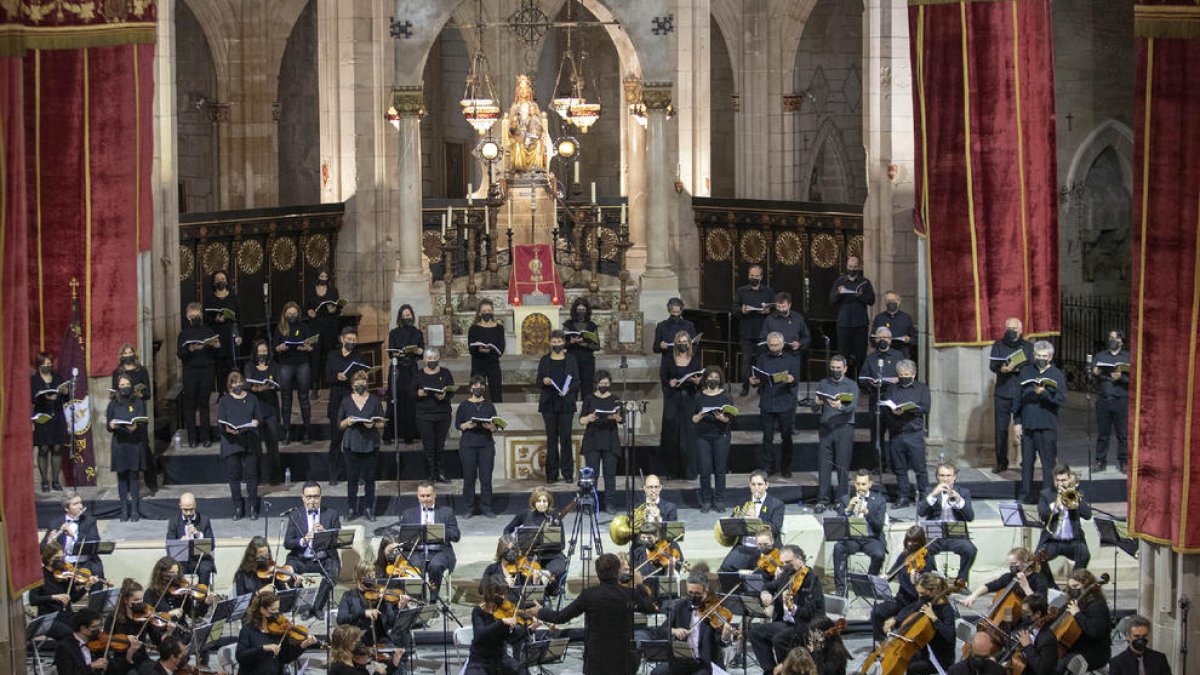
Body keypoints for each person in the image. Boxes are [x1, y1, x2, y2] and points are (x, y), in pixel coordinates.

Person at [531, 552, 657, 675]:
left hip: (596, 661)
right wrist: (639, 585)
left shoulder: (589, 595)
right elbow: (651, 608)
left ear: (598, 573)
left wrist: (540, 611)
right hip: (623, 660)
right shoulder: (629, 594)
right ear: (617, 571)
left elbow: (560, 617)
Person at [751, 546, 825, 673]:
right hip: (787, 623)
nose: (785, 566)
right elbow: (769, 585)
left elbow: (808, 612)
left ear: (799, 558)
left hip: (805, 624)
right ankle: (771, 671)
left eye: (788, 562)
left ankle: (789, 671)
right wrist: (765, 593)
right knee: (756, 633)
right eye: (783, 563)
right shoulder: (787, 574)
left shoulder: (811, 580)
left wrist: (792, 606)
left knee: (779, 639)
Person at [650, 574, 735, 675]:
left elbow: (721, 642)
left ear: (706, 591)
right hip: (682, 660)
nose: (693, 597)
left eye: (697, 593)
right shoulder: (680, 606)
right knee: (656, 673)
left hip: (705, 663)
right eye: (690, 593)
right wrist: (673, 630)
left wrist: (726, 635)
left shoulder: (713, 611)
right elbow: (660, 631)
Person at [1014, 341, 1067, 502]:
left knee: (1048, 463)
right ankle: (1025, 495)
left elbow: (1060, 399)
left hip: (1047, 425)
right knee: (1027, 463)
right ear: (1034, 355)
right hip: (1028, 425)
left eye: (1044, 356)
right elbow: (1017, 398)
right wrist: (1017, 422)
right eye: (1038, 355)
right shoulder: (1026, 371)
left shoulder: (1057, 374)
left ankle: (1048, 496)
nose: (1041, 358)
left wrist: (1044, 393)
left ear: (1050, 357)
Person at [284, 482, 342, 617]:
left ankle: (317, 607)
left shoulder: (332, 514)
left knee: (333, 570)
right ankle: (305, 605)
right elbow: (287, 543)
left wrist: (326, 534)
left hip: (323, 558)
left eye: (316, 497)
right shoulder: (295, 515)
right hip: (301, 559)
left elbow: (338, 540)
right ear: (303, 497)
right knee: (287, 572)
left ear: (321, 497)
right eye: (309, 497)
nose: (313, 501)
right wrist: (304, 540)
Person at [880, 573, 955, 675]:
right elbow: (909, 610)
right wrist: (895, 619)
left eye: (923, 594)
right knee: (907, 657)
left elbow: (950, 636)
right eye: (918, 593)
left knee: (913, 668)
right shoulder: (926, 601)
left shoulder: (946, 610)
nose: (920, 597)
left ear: (934, 591)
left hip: (940, 657)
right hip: (925, 649)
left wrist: (934, 618)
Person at [870, 526, 935, 642]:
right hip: (901, 599)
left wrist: (916, 581)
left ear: (921, 541)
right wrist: (884, 578)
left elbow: (925, 588)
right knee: (876, 611)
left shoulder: (927, 559)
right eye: (908, 541)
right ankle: (881, 643)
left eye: (914, 541)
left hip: (917, 602)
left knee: (901, 619)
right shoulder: (904, 556)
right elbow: (891, 573)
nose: (910, 544)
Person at [502, 487, 568, 599]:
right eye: (538, 501)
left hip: (552, 555)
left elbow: (562, 544)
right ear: (533, 502)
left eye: (544, 501)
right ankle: (539, 591)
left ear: (549, 502)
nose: (541, 504)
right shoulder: (525, 514)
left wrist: (548, 544)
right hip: (530, 555)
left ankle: (549, 589)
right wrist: (510, 542)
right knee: (521, 573)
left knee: (559, 569)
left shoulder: (555, 516)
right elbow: (507, 530)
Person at [752, 332, 801, 477]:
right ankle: (768, 467)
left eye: (776, 345)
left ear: (782, 344)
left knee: (786, 436)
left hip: (785, 402)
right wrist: (753, 381)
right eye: (771, 345)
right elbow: (758, 378)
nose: (773, 348)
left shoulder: (791, 359)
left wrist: (791, 379)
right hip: (768, 402)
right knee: (767, 437)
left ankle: (786, 467)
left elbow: (796, 378)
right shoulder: (761, 359)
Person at [882, 360, 930, 507]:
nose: (904, 377)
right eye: (901, 375)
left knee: (920, 468)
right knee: (900, 468)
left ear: (913, 374)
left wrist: (907, 410)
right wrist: (894, 413)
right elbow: (886, 407)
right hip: (896, 433)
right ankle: (903, 496)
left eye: (907, 374)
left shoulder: (922, 388)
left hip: (914, 434)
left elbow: (925, 407)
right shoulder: (892, 389)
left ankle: (924, 495)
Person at [811, 356, 857, 511]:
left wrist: (840, 407)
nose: (835, 370)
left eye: (838, 368)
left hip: (844, 428)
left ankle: (841, 499)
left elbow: (852, 406)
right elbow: (814, 407)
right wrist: (816, 403)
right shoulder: (824, 383)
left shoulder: (851, 385)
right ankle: (822, 500)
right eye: (833, 368)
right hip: (826, 429)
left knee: (842, 465)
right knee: (823, 465)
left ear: (844, 368)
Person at [400, 481, 461, 599]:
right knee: (416, 566)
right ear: (418, 496)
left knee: (436, 566)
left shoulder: (446, 512)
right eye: (422, 496)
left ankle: (433, 600)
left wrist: (438, 531)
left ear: (434, 495)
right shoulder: (408, 514)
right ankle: (420, 601)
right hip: (417, 551)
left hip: (439, 551)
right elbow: (403, 538)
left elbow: (456, 535)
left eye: (428, 495)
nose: (425, 499)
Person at [917, 463, 977, 582]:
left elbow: (970, 517)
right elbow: (921, 512)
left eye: (949, 475)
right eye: (942, 475)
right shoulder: (929, 490)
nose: (945, 479)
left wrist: (959, 500)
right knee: (922, 550)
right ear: (937, 477)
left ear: (954, 477)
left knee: (970, 550)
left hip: (957, 536)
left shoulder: (964, 492)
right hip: (935, 536)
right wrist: (933, 495)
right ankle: (932, 580)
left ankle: (961, 581)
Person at [989, 318, 1035, 473]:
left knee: (1025, 430)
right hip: (1002, 392)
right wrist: (1002, 369)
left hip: (1022, 393)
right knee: (1000, 430)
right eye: (1008, 327)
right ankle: (1001, 462)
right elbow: (992, 365)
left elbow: (1032, 367)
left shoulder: (1028, 347)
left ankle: (1026, 462)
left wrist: (1015, 367)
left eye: (1014, 328)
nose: (1011, 330)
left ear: (1020, 330)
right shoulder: (998, 345)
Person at [326, 326, 370, 484]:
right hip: (337, 399)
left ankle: (359, 476)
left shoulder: (359, 357)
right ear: (342, 339)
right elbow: (327, 378)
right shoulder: (332, 356)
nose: (351, 342)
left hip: (354, 400)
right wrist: (337, 377)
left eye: (354, 340)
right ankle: (333, 475)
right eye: (349, 339)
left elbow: (364, 376)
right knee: (336, 440)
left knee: (356, 440)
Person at [236, 589, 317, 674]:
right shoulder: (248, 630)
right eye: (273, 610)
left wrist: (303, 645)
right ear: (262, 610)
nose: (277, 613)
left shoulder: (278, 630)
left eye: (277, 609)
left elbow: (285, 657)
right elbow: (241, 657)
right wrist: (264, 648)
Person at [831, 470, 886, 596]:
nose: (861, 487)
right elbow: (837, 524)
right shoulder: (846, 499)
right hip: (852, 539)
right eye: (858, 484)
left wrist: (867, 513)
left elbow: (879, 526)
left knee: (879, 554)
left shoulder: (879, 501)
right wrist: (847, 510)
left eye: (864, 484)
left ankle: (869, 584)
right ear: (854, 484)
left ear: (870, 484)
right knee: (838, 548)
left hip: (872, 538)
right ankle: (841, 588)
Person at [340, 369, 386, 521]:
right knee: (352, 478)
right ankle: (352, 508)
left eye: (363, 381)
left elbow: (381, 423)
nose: (361, 384)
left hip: (369, 444)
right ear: (353, 385)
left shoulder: (374, 400)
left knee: (370, 478)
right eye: (357, 382)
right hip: (351, 444)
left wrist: (372, 424)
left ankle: (368, 508)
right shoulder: (346, 400)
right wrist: (347, 421)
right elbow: (339, 424)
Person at [719, 471, 786, 572]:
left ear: (766, 485)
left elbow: (775, 529)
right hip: (744, 547)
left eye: (760, 484)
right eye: (753, 484)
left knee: (763, 573)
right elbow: (733, 526)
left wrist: (756, 519)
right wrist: (737, 520)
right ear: (749, 485)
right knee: (726, 568)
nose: (756, 488)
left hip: (765, 550)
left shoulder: (777, 504)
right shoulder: (742, 502)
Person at [217, 371, 261, 521]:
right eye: (234, 383)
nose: (237, 385)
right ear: (230, 385)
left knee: (251, 475)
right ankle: (238, 507)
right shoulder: (224, 401)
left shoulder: (252, 398)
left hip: (249, 440)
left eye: (239, 382)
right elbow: (221, 422)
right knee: (234, 476)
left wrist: (256, 422)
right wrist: (227, 429)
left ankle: (253, 506)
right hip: (231, 442)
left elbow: (259, 417)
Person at [112, 343, 156, 493]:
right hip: (123, 411)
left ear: (134, 355)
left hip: (138, 409)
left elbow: (148, 394)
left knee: (144, 446)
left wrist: (138, 393)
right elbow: (114, 394)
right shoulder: (116, 372)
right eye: (125, 354)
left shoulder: (141, 371)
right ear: (121, 356)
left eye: (130, 353)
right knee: (125, 448)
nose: (128, 356)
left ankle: (152, 483)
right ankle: (128, 488)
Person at [537, 331, 579, 483]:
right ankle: (552, 474)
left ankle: (567, 473)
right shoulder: (544, 360)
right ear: (550, 343)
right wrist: (545, 381)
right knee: (551, 439)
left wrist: (569, 389)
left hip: (566, 403)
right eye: (554, 342)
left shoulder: (571, 360)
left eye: (559, 342)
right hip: (549, 404)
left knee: (566, 438)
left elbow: (576, 381)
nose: (556, 345)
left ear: (564, 343)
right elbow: (538, 381)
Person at [337, 561, 412, 647]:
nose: (372, 579)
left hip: (382, 638)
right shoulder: (349, 596)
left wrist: (399, 608)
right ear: (358, 577)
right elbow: (341, 619)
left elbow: (391, 623)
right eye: (368, 576)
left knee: (399, 644)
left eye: (373, 576)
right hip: (359, 638)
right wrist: (364, 613)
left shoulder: (382, 595)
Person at [859, 326, 901, 475]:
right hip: (876, 400)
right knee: (877, 434)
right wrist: (870, 383)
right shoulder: (871, 358)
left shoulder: (898, 356)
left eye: (885, 337)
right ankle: (879, 464)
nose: (882, 340)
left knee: (895, 434)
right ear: (876, 339)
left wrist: (898, 379)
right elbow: (862, 378)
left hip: (893, 401)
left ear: (890, 340)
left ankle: (896, 465)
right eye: (879, 337)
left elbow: (906, 376)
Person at [960, 546, 1056, 612]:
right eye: (1010, 564)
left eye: (1014, 564)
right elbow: (989, 586)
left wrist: (1026, 587)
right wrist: (974, 596)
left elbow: (1041, 605)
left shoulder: (1038, 579)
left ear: (1025, 563)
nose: (1012, 567)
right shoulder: (1010, 576)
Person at [692, 366, 734, 513]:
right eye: (710, 377)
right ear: (706, 378)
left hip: (721, 437)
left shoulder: (726, 396)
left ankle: (719, 500)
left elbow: (731, 418)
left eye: (716, 377)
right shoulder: (699, 396)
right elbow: (693, 417)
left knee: (720, 470)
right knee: (704, 471)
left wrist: (722, 418)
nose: (713, 379)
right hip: (702, 437)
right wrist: (698, 416)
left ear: (720, 379)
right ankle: (706, 500)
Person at [272, 302, 315, 445]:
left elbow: (310, 346)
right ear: (284, 314)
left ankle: (308, 432)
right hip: (286, 364)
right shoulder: (280, 328)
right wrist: (280, 347)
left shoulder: (304, 327)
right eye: (289, 314)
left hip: (302, 363)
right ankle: (286, 432)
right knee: (286, 399)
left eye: (294, 313)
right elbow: (275, 347)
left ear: (298, 314)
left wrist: (307, 348)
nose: (291, 316)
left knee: (304, 398)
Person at [178, 302, 220, 448]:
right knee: (190, 406)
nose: (195, 316)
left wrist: (215, 345)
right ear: (188, 317)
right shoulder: (183, 334)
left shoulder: (208, 331)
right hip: (190, 372)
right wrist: (190, 349)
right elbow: (180, 354)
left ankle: (206, 437)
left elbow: (216, 352)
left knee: (204, 405)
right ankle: (192, 438)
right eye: (192, 315)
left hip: (206, 370)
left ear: (201, 315)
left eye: (197, 314)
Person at [581, 370, 623, 513]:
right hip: (592, 439)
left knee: (609, 475)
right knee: (592, 475)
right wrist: (589, 418)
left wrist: (616, 418)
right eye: (602, 383)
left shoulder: (616, 399)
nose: (605, 385)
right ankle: (590, 503)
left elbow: (621, 419)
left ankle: (610, 503)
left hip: (610, 440)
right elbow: (581, 419)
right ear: (596, 384)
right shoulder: (589, 399)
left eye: (607, 383)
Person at [467, 580, 531, 675]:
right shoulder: (478, 611)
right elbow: (480, 634)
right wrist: (502, 622)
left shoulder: (503, 612)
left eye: (504, 596)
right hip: (480, 660)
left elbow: (511, 638)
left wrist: (530, 629)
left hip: (501, 658)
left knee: (523, 672)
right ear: (490, 596)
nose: (504, 600)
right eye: (501, 596)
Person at [457, 375, 499, 518]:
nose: (478, 388)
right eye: (475, 385)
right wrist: (466, 425)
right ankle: (469, 508)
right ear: (470, 388)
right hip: (468, 445)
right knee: (469, 478)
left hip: (486, 445)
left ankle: (486, 507)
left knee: (486, 478)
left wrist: (492, 427)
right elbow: (458, 424)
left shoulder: (489, 405)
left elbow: (495, 426)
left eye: (481, 385)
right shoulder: (464, 405)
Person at [663, 330, 703, 479]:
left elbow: (700, 379)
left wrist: (697, 381)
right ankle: (671, 471)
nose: (682, 344)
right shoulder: (669, 358)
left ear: (689, 344)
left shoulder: (695, 360)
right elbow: (664, 378)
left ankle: (690, 471)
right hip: (673, 399)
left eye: (685, 342)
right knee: (672, 435)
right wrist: (670, 382)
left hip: (690, 399)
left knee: (689, 435)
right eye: (680, 342)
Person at [107, 373, 147, 521]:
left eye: (127, 385)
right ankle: (124, 510)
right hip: (119, 444)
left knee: (134, 476)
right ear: (118, 387)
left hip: (134, 443)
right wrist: (112, 425)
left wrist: (136, 426)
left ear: (131, 385)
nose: (124, 388)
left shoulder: (138, 402)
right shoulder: (113, 403)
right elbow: (109, 426)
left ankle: (135, 510)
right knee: (122, 477)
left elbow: (142, 421)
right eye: (121, 385)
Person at [1037, 464, 1092, 570]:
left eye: (1063, 480)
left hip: (1073, 541)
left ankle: (1074, 582)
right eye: (1057, 480)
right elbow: (1043, 516)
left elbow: (1088, 515)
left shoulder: (1077, 494)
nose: (1060, 484)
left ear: (1069, 479)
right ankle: (1050, 585)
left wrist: (1077, 499)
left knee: (1084, 555)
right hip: (1052, 541)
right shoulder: (1046, 495)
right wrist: (1055, 506)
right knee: (1037, 559)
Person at [29, 541, 88, 639]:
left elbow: (73, 598)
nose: (60, 561)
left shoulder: (65, 573)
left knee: (88, 627)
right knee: (68, 633)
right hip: (49, 619)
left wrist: (85, 588)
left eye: (61, 558)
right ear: (47, 558)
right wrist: (54, 597)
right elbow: (33, 600)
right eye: (56, 558)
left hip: (66, 615)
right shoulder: (39, 575)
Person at [1090, 330, 1130, 472]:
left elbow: (1135, 380)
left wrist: (1122, 378)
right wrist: (1095, 372)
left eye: (1115, 338)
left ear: (1121, 341)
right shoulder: (1101, 356)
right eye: (1110, 337)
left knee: (1123, 434)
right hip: (1103, 399)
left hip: (1121, 400)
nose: (1112, 340)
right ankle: (1100, 461)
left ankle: (1123, 461)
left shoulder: (1127, 358)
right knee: (1103, 433)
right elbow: (1091, 374)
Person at [1057, 570, 1112, 672]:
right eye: (1071, 587)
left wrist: (1077, 614)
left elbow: (1094, 631)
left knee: (1060, 666)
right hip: (1075, 648)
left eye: (1076, 586)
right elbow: (1057, 616)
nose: (1073, 590)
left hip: (1095, 652)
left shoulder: (1097, 605)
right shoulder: (1075, 602)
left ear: (1086, 586)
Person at [413, 348, 455, 483]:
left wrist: (445, 395)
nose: (432, 361)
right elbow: (410, 392)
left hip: (442, 414)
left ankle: (440, 472)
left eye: (435, 358)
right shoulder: (418, 374)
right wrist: (418, 393)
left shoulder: (445, 373)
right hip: (424, 415)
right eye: (429, 359)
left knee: (440, 445)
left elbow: (451, 390)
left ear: (439, 358)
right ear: (424, 360)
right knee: (429, 445)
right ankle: (430, 473)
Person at [828, 256, 875, 377]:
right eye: (850, 267)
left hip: (860, 324)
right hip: (843, 324)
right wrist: (839, 293)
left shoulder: (864, 282)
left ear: (858, 267)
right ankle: (845, 381)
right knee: (844, 354)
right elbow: (831, 300)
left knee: (860, 355)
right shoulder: (840, 281)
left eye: (854, 267)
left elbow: (871, 300)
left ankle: (862, 382)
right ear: (846, 267)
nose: (852, 269)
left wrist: (860, 296)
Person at [245, 339, 283, 484]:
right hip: (255, 409)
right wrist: (257, 388)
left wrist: (272, 387)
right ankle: (257, 476)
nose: (262, 354)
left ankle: (274, 476)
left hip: (271, 408)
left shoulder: (274, 366)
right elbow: (247, 384)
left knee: (272, 444)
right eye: (260, 351)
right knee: (255, 446)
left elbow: (280, 384)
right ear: (255, 352)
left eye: (264, 351)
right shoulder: (250, 366)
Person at [385, 304, 424, 444]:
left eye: (409, 315)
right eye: (404, 316)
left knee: (411, 401)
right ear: (400, 317)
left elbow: (422, 353)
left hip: (412, 369)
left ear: (412, 316)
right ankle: (391, 434)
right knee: (395, 399)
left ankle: (410, 434)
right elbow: (390, 352)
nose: (407, 318)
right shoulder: (394, 333)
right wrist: (397, 353)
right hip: (398, 369)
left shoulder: (418, 333)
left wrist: (419, 351)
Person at [42, 492, 105, 579]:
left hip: (85, 565)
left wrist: (74, 535)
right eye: (76, 504)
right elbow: (42, 549)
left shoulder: (89, 521)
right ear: (66, 508)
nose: (80, 506)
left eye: (80, 502)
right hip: (62, 566)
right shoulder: (55, 523)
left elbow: (95, 541)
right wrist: (49, 541)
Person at [32, 352, 71, 492]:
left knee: (57, 448)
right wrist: (46, 397)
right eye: (44, 364)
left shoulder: (58, 377)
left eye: (49, 364)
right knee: (43, 448)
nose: (47, 366)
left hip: (57, 416)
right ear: (39, 365)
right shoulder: (34, 379)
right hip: (42, 417)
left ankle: (55, 481)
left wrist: (65, 392)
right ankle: (44, 481)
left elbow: (66, 399)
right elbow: (32, 398)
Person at [735, 265, 775, 395]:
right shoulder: (741, 291)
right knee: (746, 361)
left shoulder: (768, 291)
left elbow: (774, 309)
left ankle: (760, 386)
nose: (754, 278)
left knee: (762, 360)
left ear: (761, 277)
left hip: (762, 332)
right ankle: (745, 386)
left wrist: (769, 310)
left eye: (756, 276)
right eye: (752, 275)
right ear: (748, 276)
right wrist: (741, 310)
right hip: (746, 331)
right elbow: (734, 307)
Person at [166, 492, 216, 588]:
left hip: (201, 559)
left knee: (205, 568)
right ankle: (180, 596)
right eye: (185, 510)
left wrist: (198, 535)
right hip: (182, 561)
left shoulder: (204, 520)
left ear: (195, 506)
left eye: (191, 509)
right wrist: (181, 541)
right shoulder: (173, 522)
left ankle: (201, 597)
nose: (188, 513)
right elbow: (169, 545)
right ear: (180, 506)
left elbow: (212, 545)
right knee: (174, 570)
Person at [306, 268, 343, 395]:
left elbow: (338, 308)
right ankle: (314, 387)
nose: (324, 278)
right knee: (315, 357)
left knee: (330, 356)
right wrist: (309, 311)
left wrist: (334, 310)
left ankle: (331, 385)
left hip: (330, 327)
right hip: (315, 326)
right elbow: (307, 306)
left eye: (326, 276)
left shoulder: (333, 291)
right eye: (321, 276)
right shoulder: (310, 290)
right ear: (317, 277)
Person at [204, 270, 242, 389]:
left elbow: (239, 317)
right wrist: (216, 319)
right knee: (220, 368)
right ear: (214, 282)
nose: (221, 281)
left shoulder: (232, 297)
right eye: (218, 279)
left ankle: (233, 391)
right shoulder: (209, 298)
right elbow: (206, 319)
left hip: (231, 336)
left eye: (223, 278)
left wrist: (240, 335)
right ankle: (221, 394)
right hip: (217, 337)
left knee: (232, 367)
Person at [653, 297, 698, 388]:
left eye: (678, 312)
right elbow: (655, 348)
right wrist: (661, 345)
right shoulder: (662, 326)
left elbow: (695, 345)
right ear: (669, 311)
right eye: (674, 312)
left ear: (681, 311)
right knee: (669, 397)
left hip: (685, 365)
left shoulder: (688, 325)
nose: (676, 315)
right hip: (668, 366)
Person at [54, 608, 114, 674]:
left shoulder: (97, 642)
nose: (99, 630)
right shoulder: (64, 647)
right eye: (94, 627)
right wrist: (91, 666)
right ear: (83, 629)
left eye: (100, 626)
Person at [328, 624, 405, 675]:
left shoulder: (354, 661)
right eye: (353, 640)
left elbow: (383, 672)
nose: (357, 642)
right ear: (345, 644)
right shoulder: (341, 669)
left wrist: (394, 664)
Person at [468, 299, 506, 402]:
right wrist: (479, 350)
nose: (486, 313)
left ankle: (496, 414)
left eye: (489, 310)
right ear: (479, 313)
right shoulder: (473, 329)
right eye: (484, 311)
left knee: (496, 392)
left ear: (492, 311)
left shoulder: (499, 328)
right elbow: (471, 349)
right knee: (477, 391)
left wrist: (490, 351)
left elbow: (501, 349)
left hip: (493, 363)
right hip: (478, 364)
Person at [1014, 593, 1061, 675]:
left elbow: (1042, 669)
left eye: (1026, 613)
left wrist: (1028, 646)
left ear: (1038, 614)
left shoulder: (1048, 638)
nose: (1023, 615)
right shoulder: (1027, 626)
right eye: (1022, 612)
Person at [564, 296, 600, 397]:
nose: (581, 311)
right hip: (571, 360)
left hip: (587, 361)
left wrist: (585, 344)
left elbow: (597, 347)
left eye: (583, 309)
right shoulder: (568, 324)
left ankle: (587, 411)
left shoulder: (592, 326)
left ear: (587, 311)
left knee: (587, 388)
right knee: (571, 388)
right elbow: (562, 345)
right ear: (575, 310)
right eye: (579, 309)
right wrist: (571, 342)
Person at [759, 292, 811, 356]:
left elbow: (806, 337)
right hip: (773, 355)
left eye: (783, 306)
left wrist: (799, 344)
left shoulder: (798, 318)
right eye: (778, 307)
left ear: (789, 305)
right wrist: (771, 344)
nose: (781, 309)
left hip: (793, 355)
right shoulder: (769, 319)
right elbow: (762, 338)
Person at [871, 291, 916, 360]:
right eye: (888, 300)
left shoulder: (906, 318)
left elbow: (914, 339)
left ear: (898, 302)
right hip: (883, 354)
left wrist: (908, 339)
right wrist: (878, 339)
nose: (891, 303)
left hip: (902, 353)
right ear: (885, 302)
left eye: (893, 300)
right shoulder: (879, 318)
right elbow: (872, 339)